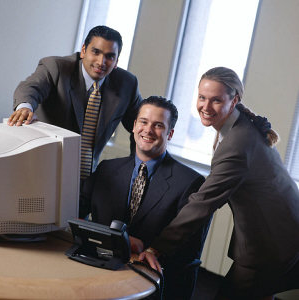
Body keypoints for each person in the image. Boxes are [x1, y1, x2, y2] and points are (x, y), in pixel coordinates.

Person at [140, 67, 299, 300]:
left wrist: (157, 247)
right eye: (202, 97)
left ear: (234, 100)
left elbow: (204, 203)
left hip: (272, 242)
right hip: (284, 232)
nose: (205, 106)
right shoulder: (240, 125)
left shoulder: (237, 143)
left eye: (216, 100)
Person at [79, 96, 210, 300]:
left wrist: (149, 248)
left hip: (152, 282)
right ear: (134, 126)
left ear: (170, 134)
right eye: (144, 122)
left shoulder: (190, 182)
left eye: (158, 125)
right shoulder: (107, 169)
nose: (148, 130)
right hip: (98, 272)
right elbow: (74, 210)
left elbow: (189, 249)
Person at [7, 25, 142, 179]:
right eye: (96, 52)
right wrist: (25, 107)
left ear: (116, 61)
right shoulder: (56, 67)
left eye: (110, 56)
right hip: (41, 172)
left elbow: (140, 126)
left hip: (86, 179)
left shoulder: (127, 84)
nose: (101, 62)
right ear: (83, 50)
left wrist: (137, 167)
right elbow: (30, 87)